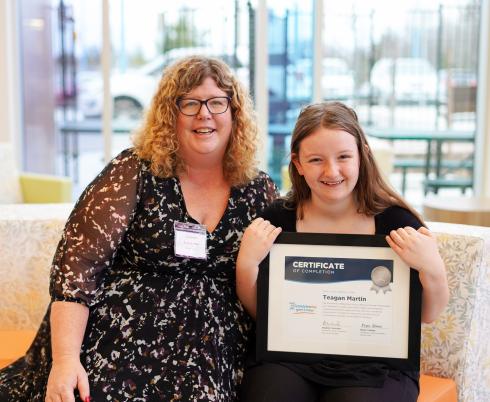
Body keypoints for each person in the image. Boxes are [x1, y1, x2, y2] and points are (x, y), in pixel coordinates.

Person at [0, 55, 278, 401]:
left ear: (234, 112)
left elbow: (276, 284)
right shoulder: (134, 171)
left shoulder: (258, 189)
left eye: (217, 102)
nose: (204, 114)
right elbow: (78, 269)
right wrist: (66, 359)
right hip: (124, 333)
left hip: (214, 347)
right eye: (189, 103)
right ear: (169, 115)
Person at [236, 101, 449, 402]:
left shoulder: (396, 222)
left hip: (378, 363)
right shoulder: (276, 220)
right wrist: (247, 264)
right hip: (290, 358)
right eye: (315, 160)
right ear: (297, 164)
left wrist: (432, 268)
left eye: (344, 157)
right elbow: (263, 314)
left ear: (362, 155)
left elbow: (428, 314)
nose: (331, 171)